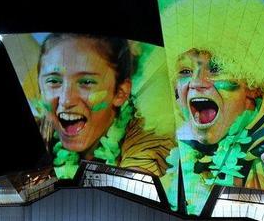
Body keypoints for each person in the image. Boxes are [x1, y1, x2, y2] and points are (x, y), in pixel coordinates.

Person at [158, 0, 264, 215]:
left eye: (216, 69)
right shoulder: (183, 151)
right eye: (184, 71)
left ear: (253, 84)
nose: (196, 82)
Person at [36, 34, 174, 179]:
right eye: (53, 80)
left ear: (120, 93)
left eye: (87, 82)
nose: (66, 100)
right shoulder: (42, 129)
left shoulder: (148, 142)